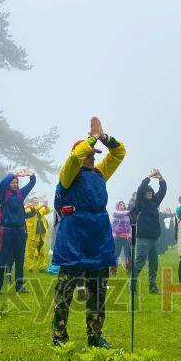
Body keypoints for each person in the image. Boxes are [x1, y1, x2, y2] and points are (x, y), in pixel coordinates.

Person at [51, 117, 125, 348]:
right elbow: (74, 157)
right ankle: (59, 336)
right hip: (74, 235)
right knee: (65, 290)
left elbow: (119, 153)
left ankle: (95, 335)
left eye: (95, 154)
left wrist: (104, 138)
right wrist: (91, 137)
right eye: (91, 153)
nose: (94, 157)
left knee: (98, 291)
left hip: (99, 235)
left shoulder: (99, 173)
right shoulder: (68, 174)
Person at [0, 169, 36, 294]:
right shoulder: (3, 195)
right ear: (9, 184)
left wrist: (31, 175)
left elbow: (32, 183)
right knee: (2, 259)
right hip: (7, 232)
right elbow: (2, 183)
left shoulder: (20, 194)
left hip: (20, 231)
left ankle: (19, 286)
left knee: (19, 259)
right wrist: (14, 174)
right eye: (12, 183)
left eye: (16, 182)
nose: (15, 184)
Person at [131, 169, 166, 294]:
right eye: (148, 192)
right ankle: (132, 285)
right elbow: (141, 189)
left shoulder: (154, 202)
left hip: (155, 238)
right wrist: (149, 177)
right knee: (139, 263)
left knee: (154, 264)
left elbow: (162, 191)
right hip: (143, 238)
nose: (150, 193)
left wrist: (161, 178)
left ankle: (152, 286)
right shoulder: (140, 203)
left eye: (151, 192)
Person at [24, 197, 51, 273]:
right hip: (32, 234)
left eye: (37, 202)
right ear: (31, 203)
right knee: (30, 252)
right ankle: (30, 268)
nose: (36, 204)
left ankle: (42, 268)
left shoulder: (41, 209)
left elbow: (48, 211)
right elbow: (33, 210)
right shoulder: (28, 209)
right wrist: (41, 205)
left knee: (42, 252)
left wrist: (46, 206)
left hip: (41, 234)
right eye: (35, 202)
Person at [111, 200, 132, 271]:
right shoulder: (115, 213)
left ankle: (129, 269)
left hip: (127, 236)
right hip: (118, 236)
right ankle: (113, 269)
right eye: (120, 205)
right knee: (116, 254)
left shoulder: (128, 215)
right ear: (117, 207)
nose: (122, 207)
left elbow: (130, 225)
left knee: (128, 254)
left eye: (123, 205)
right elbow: (123, 214)